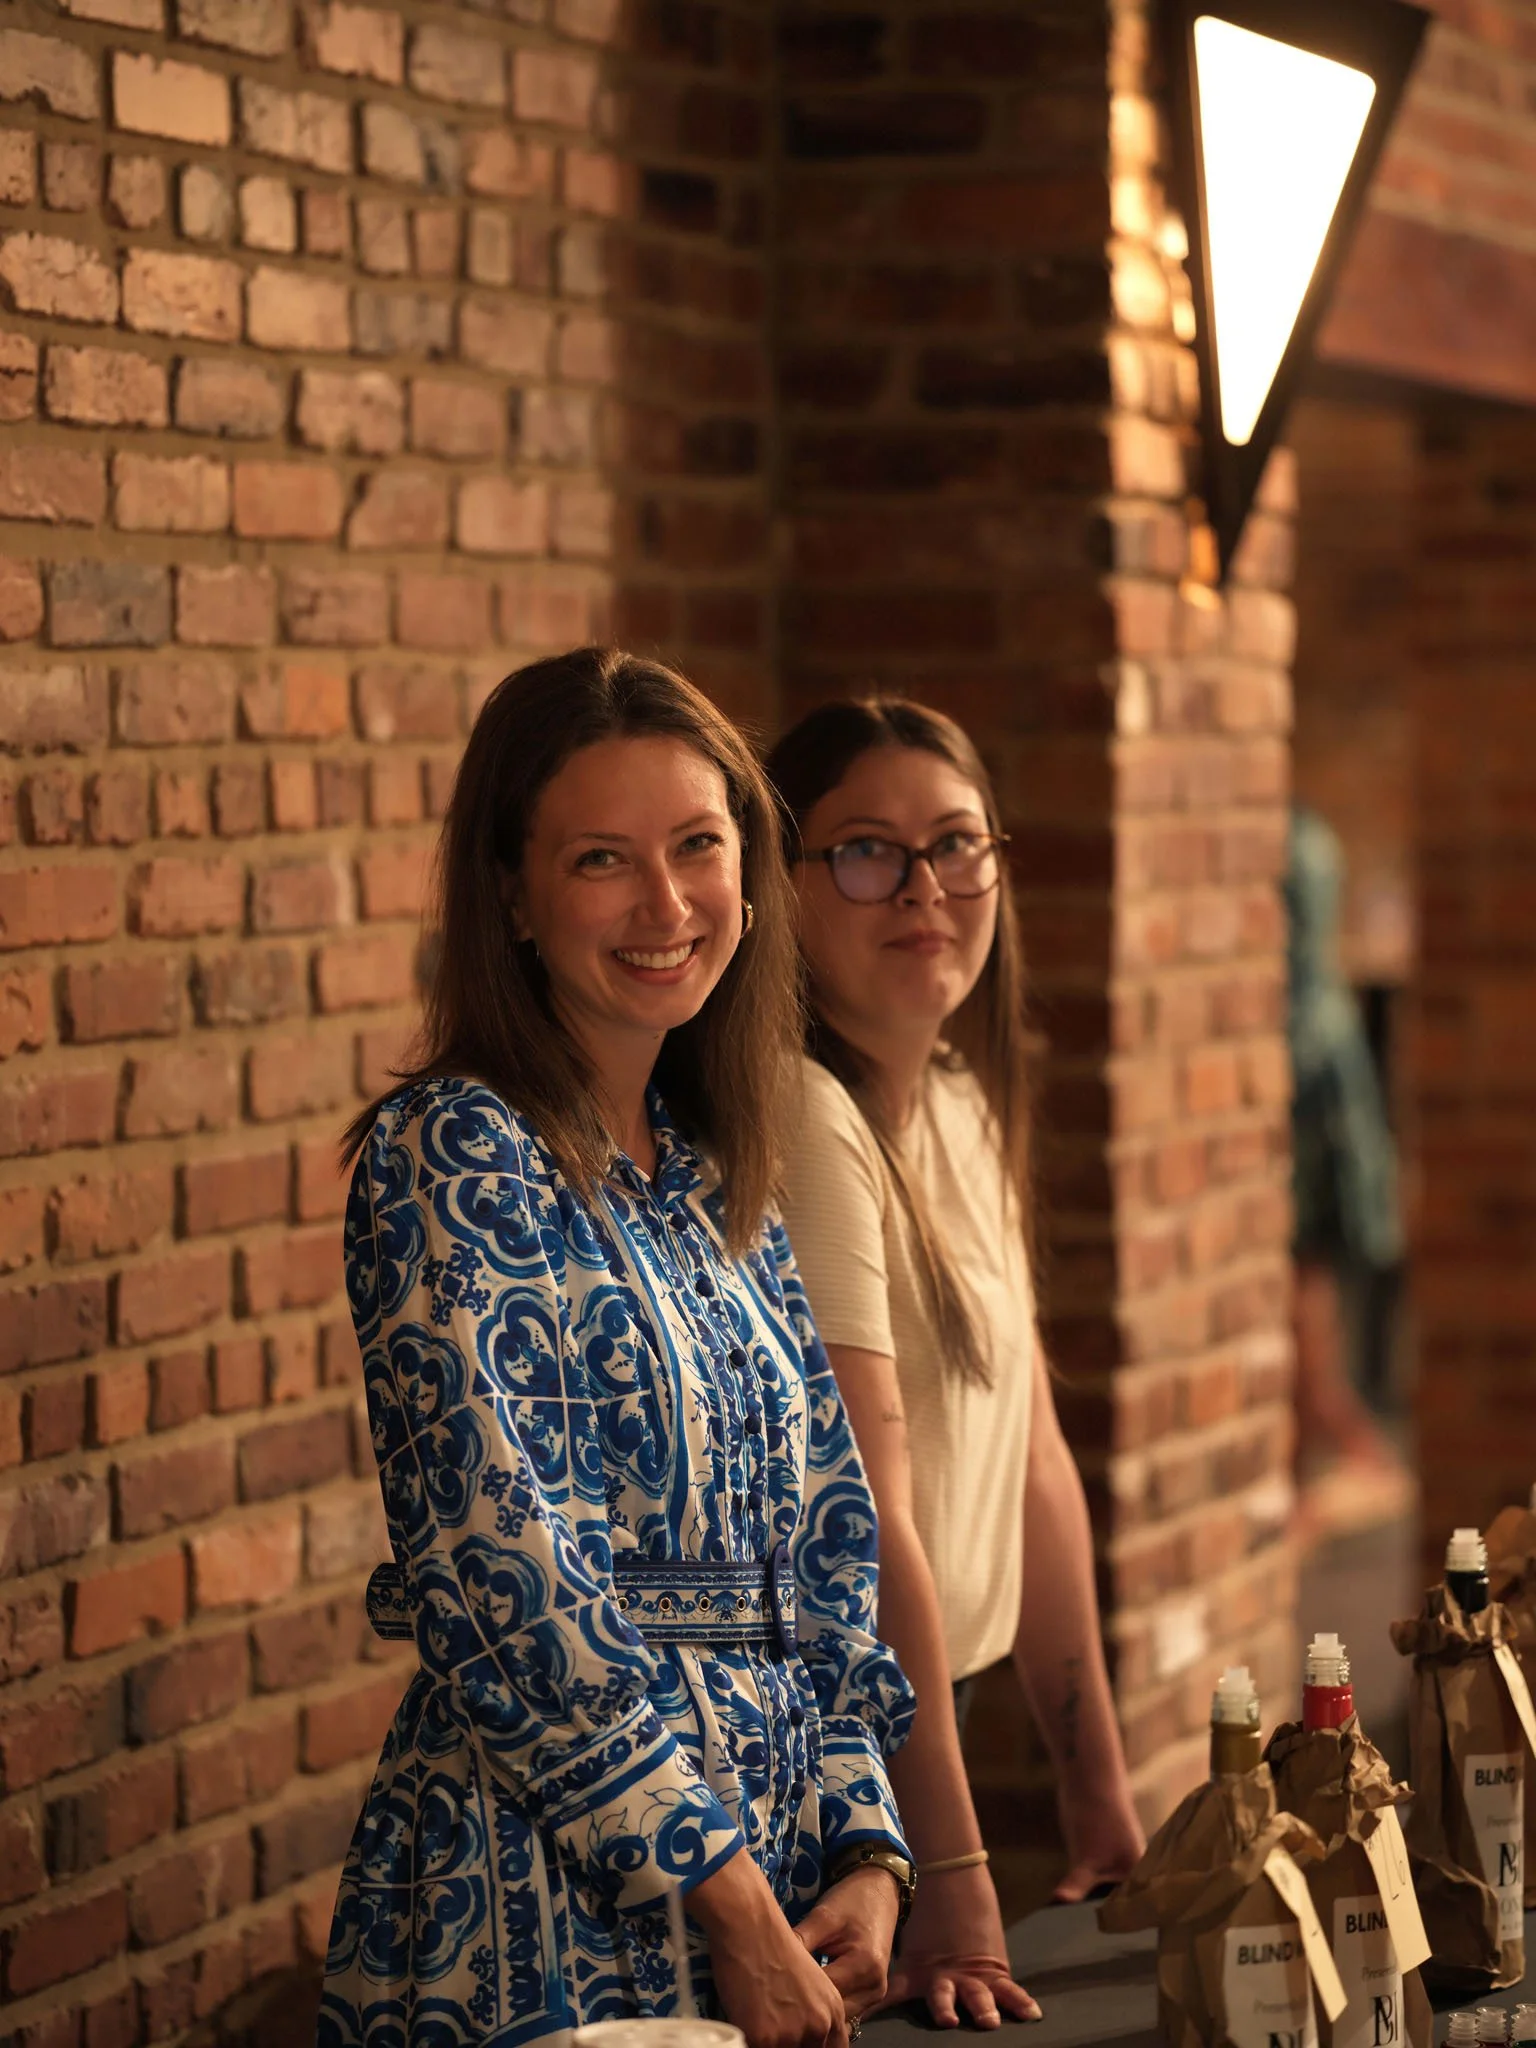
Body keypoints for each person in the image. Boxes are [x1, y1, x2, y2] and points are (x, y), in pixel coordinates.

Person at [319, 650, 918, 2048]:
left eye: (698, 846)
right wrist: (732, 1909)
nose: (667, 905)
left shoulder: (721, 1176)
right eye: (603, 859)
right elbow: (508, 1575)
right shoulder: (455, 1156)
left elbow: (824, 1544)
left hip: (779, 1891)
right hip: (545, 1908)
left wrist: (869, 1856)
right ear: (515, 898)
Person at [766, 698, 1145, 2031]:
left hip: (941, 1714)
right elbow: (867, 1520)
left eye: (957, 845)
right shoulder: (810, 1128)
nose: (925, 888)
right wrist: (953, 1867)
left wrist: (1095, 1787)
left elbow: (1032, 1457)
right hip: (834, 1771)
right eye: (867, 852)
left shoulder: (968, 1105)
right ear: (782, 886)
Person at [1285, 805, 1404, 1497]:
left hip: (1303, 1064)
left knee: (1303, 1281)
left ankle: (1331, 1456)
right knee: (1309, 1282)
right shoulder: (1310, 834)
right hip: (1322, 1051)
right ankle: (1342, 1448)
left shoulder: (1292, 838)